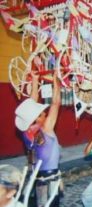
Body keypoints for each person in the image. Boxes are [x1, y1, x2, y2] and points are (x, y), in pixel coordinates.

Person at [15, 72, 61, 207]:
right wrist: (56, 82)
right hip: (50, 178)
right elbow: (56, 103)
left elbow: (31, 105)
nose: (45, 113)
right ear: (36, 118)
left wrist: (35, 80)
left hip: (38, 178)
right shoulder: (46, 128)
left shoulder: (26, 132)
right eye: (42, 114)